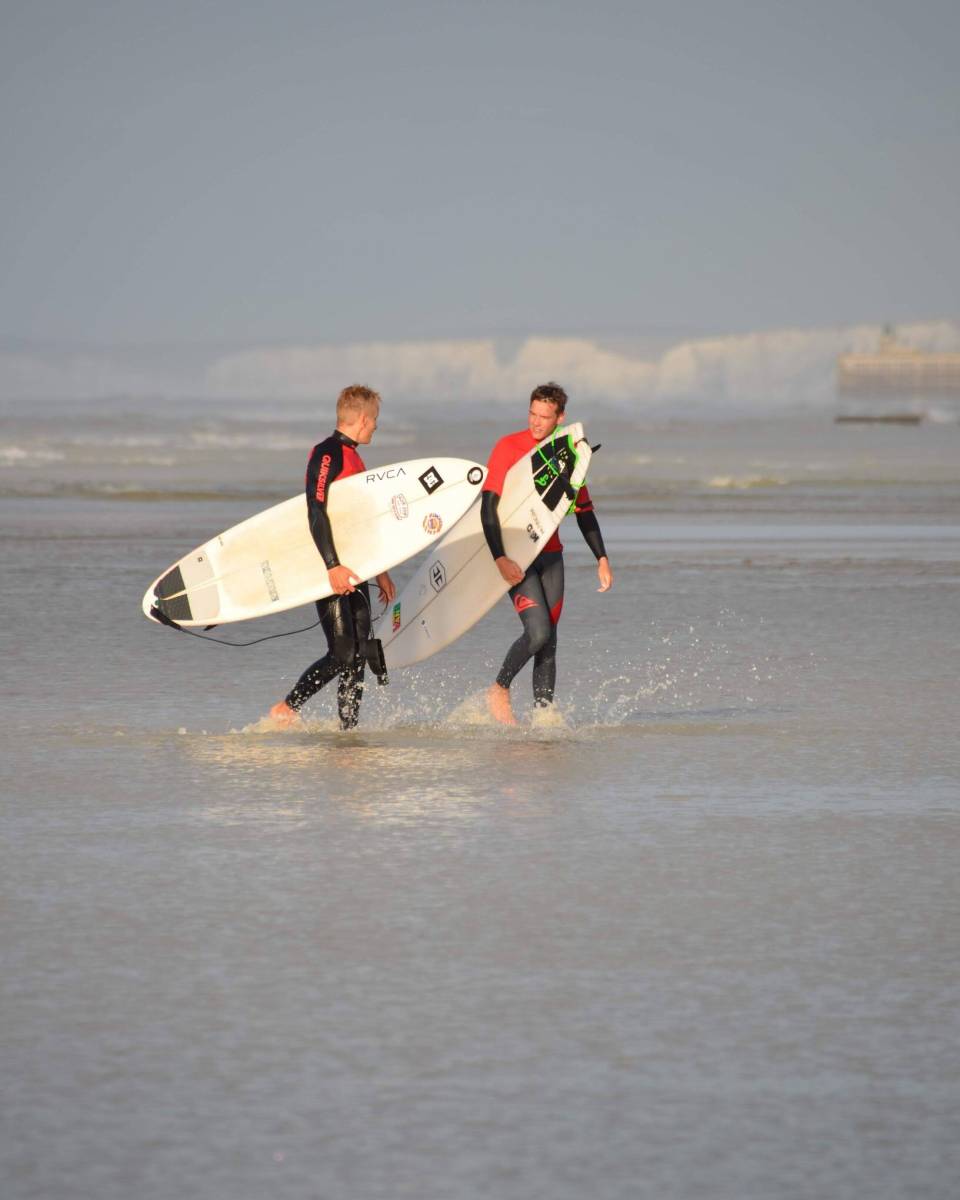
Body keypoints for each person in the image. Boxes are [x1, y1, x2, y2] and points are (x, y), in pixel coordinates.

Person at [481, 382, 613, 725]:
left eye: (544, 416)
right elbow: (487, 507)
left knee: (549, 643)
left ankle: (543, 721)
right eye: (532, 414)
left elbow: (583, 510)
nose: (536, 422)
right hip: (516, 556)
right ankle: (499, 687)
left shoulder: (564, 455)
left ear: (560, 418)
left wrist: (601, 558)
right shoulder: (508, 447)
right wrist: (499, 557)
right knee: (537, 633)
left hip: (551, 556)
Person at [269, 385, 396, 729]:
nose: (376, 428)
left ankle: (347, 732)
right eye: (375, 421)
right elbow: (315, 511)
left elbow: (362, 524)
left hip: (356, 568)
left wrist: (381, 571)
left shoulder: (355, 456)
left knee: (358, 655)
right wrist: (332, 565)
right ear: (363, 418)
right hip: (331, 569)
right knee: (342, 653)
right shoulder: (328, 454)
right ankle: (287, 707)